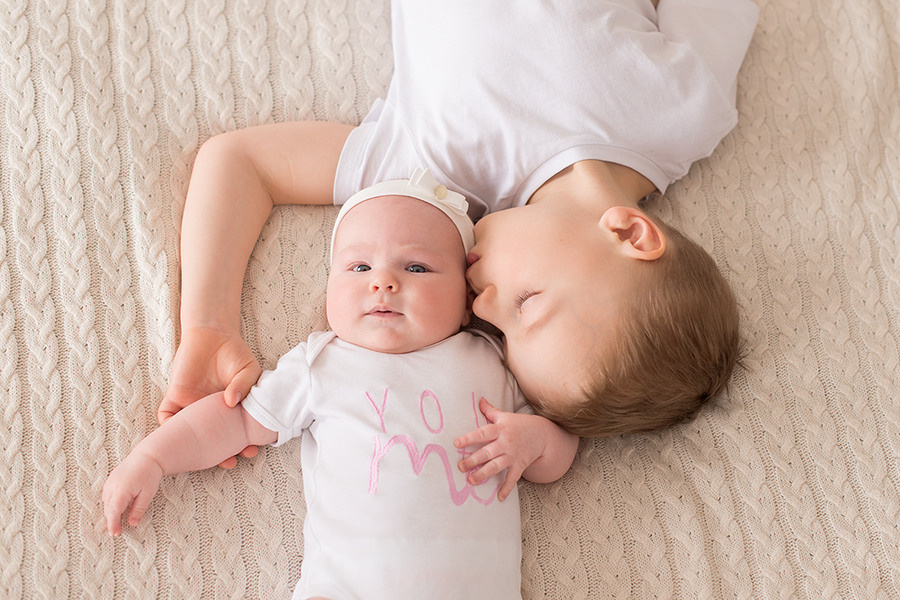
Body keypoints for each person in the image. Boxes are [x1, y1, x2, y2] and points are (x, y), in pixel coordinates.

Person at [160, 0, 759, 452]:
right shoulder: (688, 113)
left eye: (500, 336)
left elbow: (241, 163)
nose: (485, 306)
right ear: (632, 234)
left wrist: (208, 323)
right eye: (527, 304)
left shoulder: (431, 182)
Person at [103, 171, 580, 599]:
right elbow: (234, 420)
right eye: (359, 268)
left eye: (416, 268)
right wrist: (154, 457)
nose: (384, 283)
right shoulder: (323, 364)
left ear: (466, 298)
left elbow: (556, 454)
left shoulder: (493, 361)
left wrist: (535, 440)